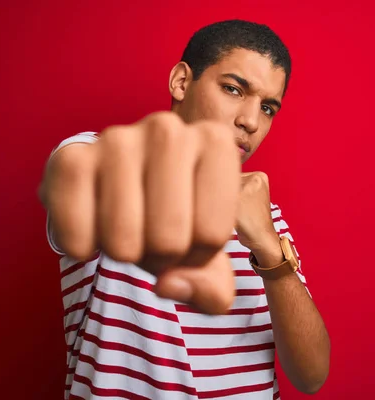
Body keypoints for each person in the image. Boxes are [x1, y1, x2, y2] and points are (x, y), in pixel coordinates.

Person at [39, 19, 330, 399]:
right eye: (233, 89)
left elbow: (311, 377)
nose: (251, 121)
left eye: (269, 107)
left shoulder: (262, 220)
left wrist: (269, 250)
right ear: (180, 82)